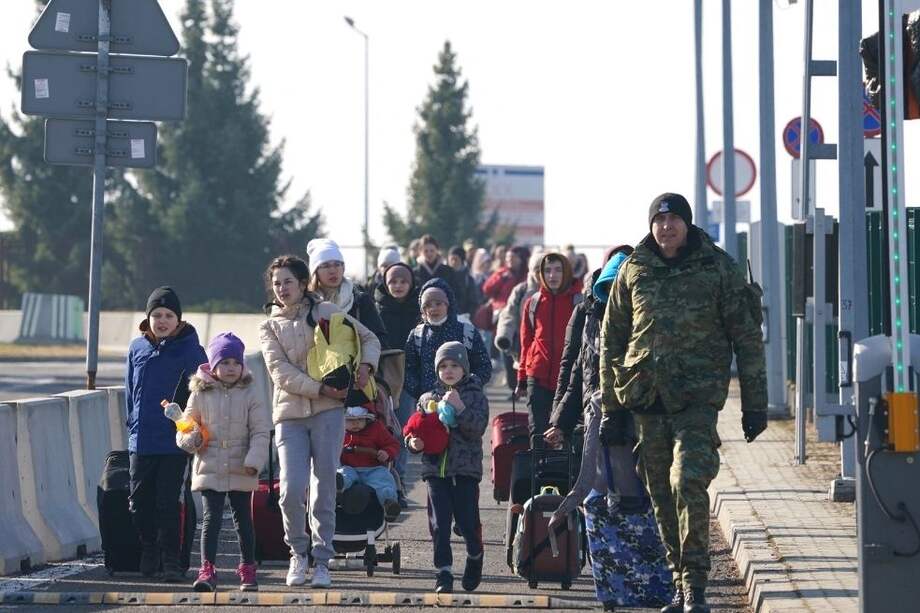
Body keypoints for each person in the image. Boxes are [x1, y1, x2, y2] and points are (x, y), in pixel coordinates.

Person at [599, 193, 768, 613]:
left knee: (687, 481)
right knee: (660, 494)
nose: (667, 226)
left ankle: (696, 586)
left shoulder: (718, 267)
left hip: (696, 400)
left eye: (674, 219)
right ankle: (680, 582)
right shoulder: (634, 269)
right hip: (646, 399)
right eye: (660, 220)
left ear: (687, 224)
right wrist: (611, 409)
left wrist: (755, 404)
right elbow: (612, 339)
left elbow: (747, 337)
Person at [259, 255, 381, 589]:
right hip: (290, 415)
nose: (282, 288)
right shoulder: (268, 326)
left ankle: (323, 559)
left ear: (302, 283)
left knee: (324, 486)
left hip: (329, 412)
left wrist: (365, 368)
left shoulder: (325, 311)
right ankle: (298, 553)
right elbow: (280, 372)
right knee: (290, 489)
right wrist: (320, 388)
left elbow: (370, 339)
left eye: (288, 281)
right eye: (276, 283)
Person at [176, 333, 271, 593]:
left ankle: (248, 567)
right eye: (225, 362)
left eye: (236, 363)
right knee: (211, 519)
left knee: (243, 520)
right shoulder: (199, 393)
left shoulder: (250, 392)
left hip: (242, 466)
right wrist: (191, 439)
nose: (231, 368)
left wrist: (254, 461)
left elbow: (261, 431)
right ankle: (207, 569)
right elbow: (185, 427)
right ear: (213, 365)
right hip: (210, 465)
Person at [125, 286, 207, 582]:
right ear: (148, 318)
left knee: (168, 502)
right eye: (157, 315)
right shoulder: (137, 348)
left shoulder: (191, 351)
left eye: (168, 315)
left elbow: (203, 396)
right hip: (141, 439)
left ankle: (172, 559)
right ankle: (149, 548)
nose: (162, 321)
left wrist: (192, 430)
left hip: (175, 441)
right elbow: (129, 390)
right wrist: (132, 423)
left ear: (178, 320)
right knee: (139, 501)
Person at [405, 342, 489, 594]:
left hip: (465, 471)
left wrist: (460, 408)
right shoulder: (427, 398)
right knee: (439, 525)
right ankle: (443, 572)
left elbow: (477, 428)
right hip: (435, 471)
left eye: (454, 365)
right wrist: (413, 443)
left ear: (464, 368)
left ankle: (475, 555)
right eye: (443, 366)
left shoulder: (474, 395)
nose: (449, 370)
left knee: (467, 523)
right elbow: (413, 428)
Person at [545, 245, 634, 447]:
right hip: (593, 411)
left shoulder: (642, 317)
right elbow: (574, 369)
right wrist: (560, 422)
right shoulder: (588, 315)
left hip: (634, 418)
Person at [515, 252, 582, 437]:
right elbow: (526, 342)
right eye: (547, 270)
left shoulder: (579, 302)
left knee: (566, 434)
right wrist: (522, 377)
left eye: (558, 270)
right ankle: (538, 458)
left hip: (569, 379)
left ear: (566, 272)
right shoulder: (533, 303)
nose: (552, 275)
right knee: (537, 433)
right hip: (537, 377)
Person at [373, 261, 421, 506]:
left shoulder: (419, 309)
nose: (398, 286)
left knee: (402, 430)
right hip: (381, 378)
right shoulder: (376, 309)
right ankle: (381, 483)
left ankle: (398, 482)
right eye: (393, 281)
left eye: (403, 281)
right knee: (380, 430)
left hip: (408, 379)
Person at [403, 277, 492, 402]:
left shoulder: (467, 332)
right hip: (429, 403)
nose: (433, 308)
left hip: (464, 402)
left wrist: (468, 388)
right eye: (428, 305)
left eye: (438, 303)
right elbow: (408, 369)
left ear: (448, 305)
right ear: (422, 310)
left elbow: (483, 366)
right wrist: (422, 393)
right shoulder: (417, 335)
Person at [307, 238, 388, 348]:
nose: (332, 270)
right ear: (315, 271)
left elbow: (379, 340)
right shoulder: (307, 303)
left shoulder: (359, 300)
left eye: (337, 264)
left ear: (343, 267)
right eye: (325, 266)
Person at [337, 406, 401, 521]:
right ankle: (338, 485)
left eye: (360, 420)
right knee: (343, 473)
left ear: (367, 419)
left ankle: (389, 503)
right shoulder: (339, 432)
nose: (355, 423)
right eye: (350, 420)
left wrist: (386, 452)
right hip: (349, 467)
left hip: (373, 468)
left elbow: (393, 444)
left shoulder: (376, 429)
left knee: (384, 479)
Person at [494, 252, 542, 396]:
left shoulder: (558, 292)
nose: (540, 274)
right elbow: (508, 314)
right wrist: (504, 336)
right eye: (537, 269)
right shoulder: (521, 290)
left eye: (543, 269)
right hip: (524, 345)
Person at [448, 245, 483, 316]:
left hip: (464, 316)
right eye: (451, 259)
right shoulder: (444, 276)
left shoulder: (468, 279)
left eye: (456, 259)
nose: (453, 262)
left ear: (462, 260)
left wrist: (468, 315)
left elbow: (473, 301)